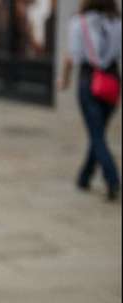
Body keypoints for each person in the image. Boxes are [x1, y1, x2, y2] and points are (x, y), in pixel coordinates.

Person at [58, 0, 122, 201]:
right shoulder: (118, 23)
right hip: (112, 81)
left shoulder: (79, 22)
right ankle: (84, 177)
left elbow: (72, 57)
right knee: (98, 132)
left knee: (97, 134)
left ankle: (112, 179)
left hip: (89, 81)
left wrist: (65, 79)